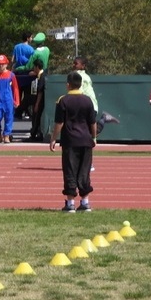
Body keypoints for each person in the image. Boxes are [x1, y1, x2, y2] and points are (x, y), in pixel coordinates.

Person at [49, 72, 97, 212]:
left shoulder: (63, 100)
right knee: (84, 171)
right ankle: (85, 202)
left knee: (70, 170)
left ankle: (70, 204)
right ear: (81, 84)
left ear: (68, 85)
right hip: (86, 140)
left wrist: (53, 138)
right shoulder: (88, 100)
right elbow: (92, 122)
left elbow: (59, 122)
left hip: (70, 141)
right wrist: (93, 137)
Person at [0, 54, 20, 143]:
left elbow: (15, 88)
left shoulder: (11, 75)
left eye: (3, 64)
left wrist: (16, 100)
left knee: (9, 118)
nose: (1, 66)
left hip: (8, 100)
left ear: (6, 64)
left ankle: (6, 135)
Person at [27, 60, 46, 142]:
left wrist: (37, 104)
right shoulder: (39, 75)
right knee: (36, 117)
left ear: (37, 67)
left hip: (40, 101)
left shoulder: (42, 76)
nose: (33, 69)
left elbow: (40, 91)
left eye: (34, 67)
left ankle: (34, 135)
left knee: (36, 117)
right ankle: (36, 133)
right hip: (37, 100)